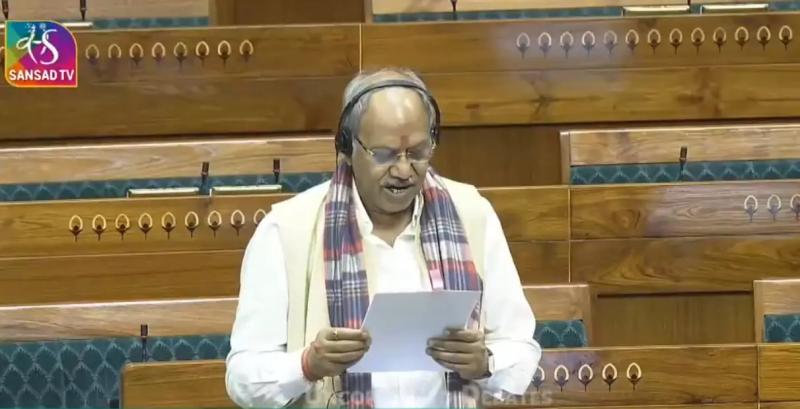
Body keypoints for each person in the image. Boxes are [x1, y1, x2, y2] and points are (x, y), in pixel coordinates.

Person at [225, 67, 541, 409]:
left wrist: (486, 363)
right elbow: (243, 379)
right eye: (384, 154)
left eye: (418, 152)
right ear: (347, 148)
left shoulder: (473, 215)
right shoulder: (286, 229)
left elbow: (520, 347)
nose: (404, 171)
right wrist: (306, 365)